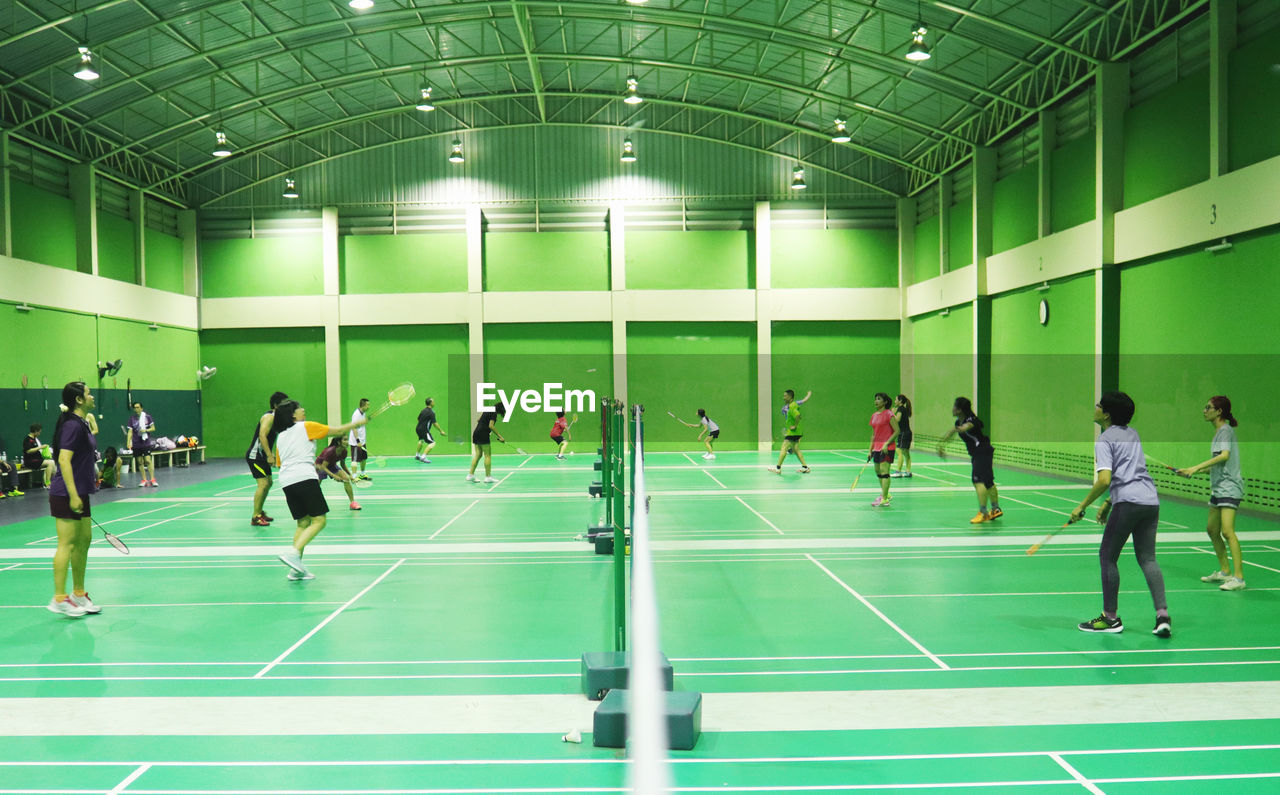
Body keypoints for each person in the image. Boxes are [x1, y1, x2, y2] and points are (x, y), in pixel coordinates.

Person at [1071, 391, 1171, 637]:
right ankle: (1163, 616)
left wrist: (1082, 505)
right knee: (1148, 559)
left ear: (1106, 414)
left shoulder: (1104, 440)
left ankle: (1110, 618)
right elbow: (1129, 472)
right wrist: (1108, 502)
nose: (1094, 407)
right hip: (1150, 501)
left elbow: (1104, 479)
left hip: (1128, 502)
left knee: (1107, 556)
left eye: (1098, 405)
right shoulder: (1132, 434)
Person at [273, 400, 367, 580]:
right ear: (293, 415)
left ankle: (295, 569)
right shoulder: (305, 427)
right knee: (319, 521)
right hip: (304, 477)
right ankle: (293, 554)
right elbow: (338, 431)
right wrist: (357, 423)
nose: (303, 409)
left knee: (303, 523)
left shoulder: (282, 436)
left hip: (286, 480)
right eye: (300, 408)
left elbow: (279, 463)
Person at [1177, 396, 1246, 591]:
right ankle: (1225, 572)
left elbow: (1225, 456)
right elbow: (1218, 465)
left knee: (1227, 531)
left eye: (1208, 407)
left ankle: (1239, 578)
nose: (1204, 410)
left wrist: (1196, 466)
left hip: (1230, 486)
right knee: (1211, 529)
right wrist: (1191, 471)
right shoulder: (1219, 432)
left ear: (1219, 411)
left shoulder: (1225, 431)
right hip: (1219, 486)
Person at [46, 382, 100, 618]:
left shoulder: (82, 422)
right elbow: (64, 460)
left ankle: (78, 593)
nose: (92, 396)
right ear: (79, 399)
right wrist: (74, 494)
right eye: (88, 393)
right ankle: (59, 598)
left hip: (81, 492)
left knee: (84, 541)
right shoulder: (71, 426)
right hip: (66, 493)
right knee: (66, 545)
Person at [936, 397, 1002, 524]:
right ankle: (995, 509)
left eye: (955, 406)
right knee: (988, 481)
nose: (953, 409)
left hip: (981, 451)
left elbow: (965, 428)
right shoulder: (958, 422)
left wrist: (956, 429)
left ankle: (983, 513)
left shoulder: (972, 419)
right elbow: (954, 433)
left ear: (960, 410)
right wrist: (941, 446)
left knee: (978, 481)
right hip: (982, 452)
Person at [247, 391, 289, 527]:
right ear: (276, 405)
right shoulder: (269, 417)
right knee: (263, 484)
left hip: (263, 456)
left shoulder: (277, 418)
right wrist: (269, 455)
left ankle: (260, 511)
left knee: (269, 483)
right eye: (284, 404)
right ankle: (255, 516)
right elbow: (262, 436)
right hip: (256, 456)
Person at [868, 393, 900, 507]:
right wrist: (870, 450)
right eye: (875, 399)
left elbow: (897, 431)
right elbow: (873, 434)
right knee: (878, 471)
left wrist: (886, 444)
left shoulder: (889, 414)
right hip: (877, 447)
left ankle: (885, 498)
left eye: (879, 399)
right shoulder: (874, 415)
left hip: (887, 448)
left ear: (885, 402)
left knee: (884, 472)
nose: (876, 401)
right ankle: (885, 493)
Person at [769, 389, 810, 474]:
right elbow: (798, 414)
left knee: (784, 448)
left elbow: (798, 415)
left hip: (793, 431)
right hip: (797, 431)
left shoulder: (792, 406)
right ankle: (805, 467)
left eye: (785, 396)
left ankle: (778, 468)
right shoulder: (792, 405)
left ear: (790, 397)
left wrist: (794, 425)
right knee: (796, 449)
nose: (783, 398)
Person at [316, 436, 361, 511]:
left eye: (347, 440)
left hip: (332, 465)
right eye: (345, 440)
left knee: (346, 479)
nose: (347, 442)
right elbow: (324, 467)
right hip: (320, 466)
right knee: (316, 486)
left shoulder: (344, 451)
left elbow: (343, 464)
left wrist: (350, 475)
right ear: (339, 442)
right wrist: (334, 476)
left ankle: (352, 503)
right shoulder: (330, 451)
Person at [468, 403, 507, 483]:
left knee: (478, 455)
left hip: (476, 433)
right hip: (483, 434)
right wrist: (500, 437)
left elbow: (479, 420)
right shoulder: (494, 413)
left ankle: (470, 475)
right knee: (487, 455)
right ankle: (488, 477)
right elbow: (491, 426)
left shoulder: (487, 409)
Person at [126, 401, 157, 487]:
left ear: (141, 408)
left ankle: (152, 479)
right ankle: (144, 480)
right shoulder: (132, 419)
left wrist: (146, 430)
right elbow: (130, 432)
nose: (136, 409)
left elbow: (153, 428)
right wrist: (128, 442)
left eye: (138, 407)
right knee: (139, 462)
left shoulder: (147, 417)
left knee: (147, 460)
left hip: (145, 442)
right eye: (135, 408)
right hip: (136, 443)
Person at [891, 394, 914, 478]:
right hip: (907, 433)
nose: (895, 401)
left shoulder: (900, 408)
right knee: (906, 452)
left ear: (900, 401)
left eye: (896, 399)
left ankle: (898, 471)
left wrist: (892, 414)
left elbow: (897, 419)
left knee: (899, 450)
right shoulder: (903, 409)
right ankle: (908, 471)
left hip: (904, 433)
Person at [415, 397, 443, 463]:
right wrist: (441, 431)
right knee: (432, 443)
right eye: (433, 401)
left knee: (421, 440)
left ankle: (417, 455)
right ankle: (423, 457)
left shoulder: (423, 410)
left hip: (418, 428)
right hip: (424, 430)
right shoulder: (431, 412)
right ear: (431, 403)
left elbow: (418, 419)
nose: (434, 402)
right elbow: (435, 424)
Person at [349, 398, 371, 480]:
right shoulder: (356, 414)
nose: (369, 406)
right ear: (363, 405)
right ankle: (354, 476)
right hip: (355, 441)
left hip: (362, 440)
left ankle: (362, 474)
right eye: (367, 405)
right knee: (354, 459)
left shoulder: (363, 413)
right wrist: (357, 440)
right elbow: (354, 427)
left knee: (364, 458)